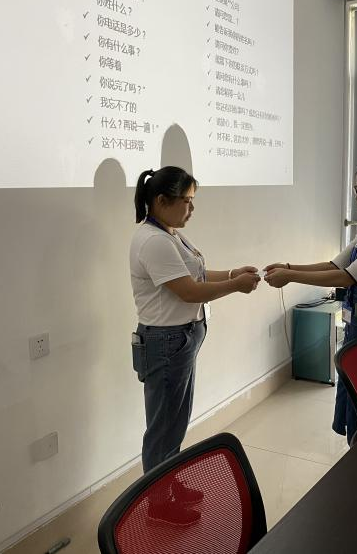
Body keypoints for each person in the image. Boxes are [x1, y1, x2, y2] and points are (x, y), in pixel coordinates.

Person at [130, 165, 260, 525]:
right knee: (162, 428)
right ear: (161, 201)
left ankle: (168, 482)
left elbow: (195, 275)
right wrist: (235, 286)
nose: (192, 208)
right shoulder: (153, 241)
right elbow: (188, 291)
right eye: (186, 201)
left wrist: (232, 273)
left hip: (180, 340)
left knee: (175, 422)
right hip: (166, 342)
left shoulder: (169, 233)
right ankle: (158, 505)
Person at [264, 153, 357, 445]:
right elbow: (333, 265)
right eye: (355, 189)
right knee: (354, 412)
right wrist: (289, 267)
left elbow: (347, 277)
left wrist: (290, 277)